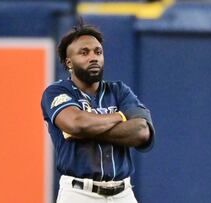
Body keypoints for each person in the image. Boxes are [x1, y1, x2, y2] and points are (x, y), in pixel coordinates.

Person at [41, 25, 155, 203]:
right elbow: (76, 123)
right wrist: (119, 117)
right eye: (84, 53)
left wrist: (87, 130)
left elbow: (141, 131)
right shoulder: (56, 91)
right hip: (79, 193)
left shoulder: (119, 91)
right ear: (69, 62)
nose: (93, 57)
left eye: (98, 52)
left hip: (123, 193)